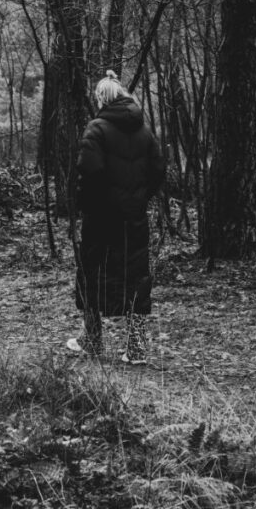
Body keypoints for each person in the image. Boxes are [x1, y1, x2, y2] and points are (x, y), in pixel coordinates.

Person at [68, 70, 165, 364]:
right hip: (133, 217)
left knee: (91, 272)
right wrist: (138, 199)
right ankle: (136, 348)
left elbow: (89, 171)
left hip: (101, 218)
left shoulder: (96, 129)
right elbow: (158, 172)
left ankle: (92, 339)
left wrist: (87, 204)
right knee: (136, 276)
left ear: (102, 98)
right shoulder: (145, 131)